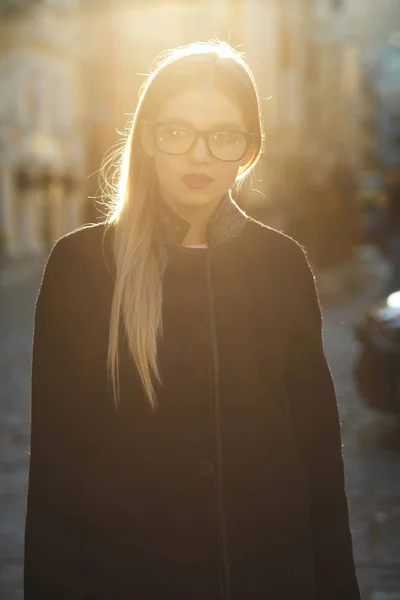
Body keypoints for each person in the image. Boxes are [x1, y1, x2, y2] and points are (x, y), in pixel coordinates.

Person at [24, 41, 360, 600]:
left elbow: (319, 465)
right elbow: (56, 480)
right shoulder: (81, 268)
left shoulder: (283, 267)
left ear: (248, 151)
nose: (200, 155)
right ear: (149, 138)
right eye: (177, 131)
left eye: (224, 135)